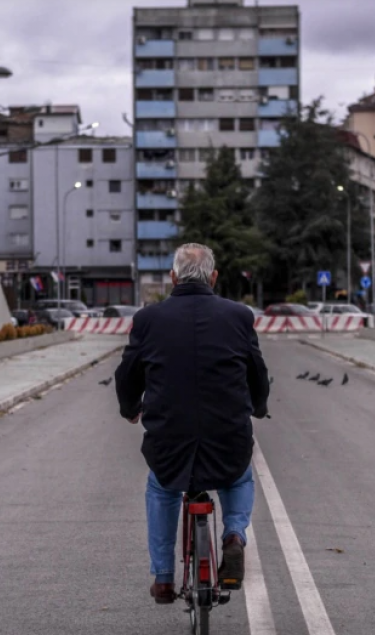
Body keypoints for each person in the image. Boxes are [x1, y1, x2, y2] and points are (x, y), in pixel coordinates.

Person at [115, 243, 270, 605]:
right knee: (239, 475)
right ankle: (233, 535)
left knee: (162, 488)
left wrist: (129, 408)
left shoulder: (148, 319)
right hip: (227, 435)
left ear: (172, 278)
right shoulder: (238, 316)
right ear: (214, 277)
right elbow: (257, 372)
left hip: (169, 438)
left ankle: (165, 578)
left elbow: (127, 375)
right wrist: (259, 406)